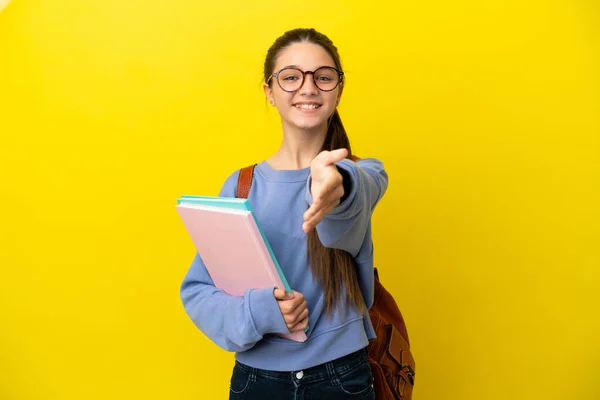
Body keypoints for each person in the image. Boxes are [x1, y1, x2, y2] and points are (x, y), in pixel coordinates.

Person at [180, 28, 388, 399]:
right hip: (257, 382)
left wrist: (335, 182)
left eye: (322, 77)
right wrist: (263, 313)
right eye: (291, 77)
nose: (307, 87)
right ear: (269, 92)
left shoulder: (359, 173)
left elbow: (360, 186)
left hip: (343, 378)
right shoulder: (240, 186)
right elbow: (198, 292)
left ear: (338, 90)